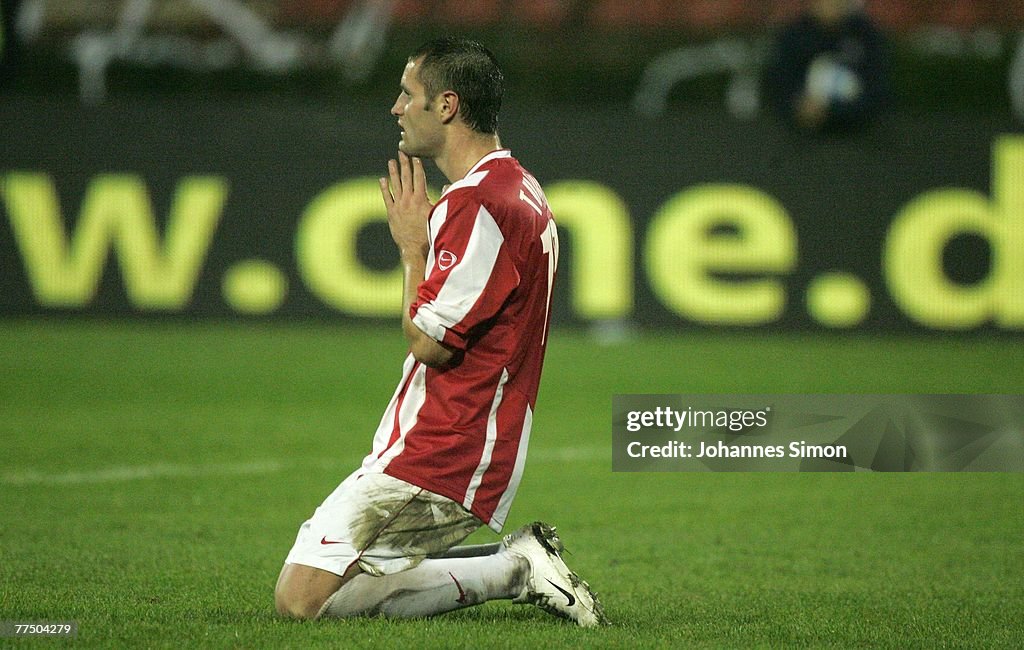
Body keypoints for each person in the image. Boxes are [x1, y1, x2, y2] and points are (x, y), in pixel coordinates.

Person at [273, 37, 608, 627]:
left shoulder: (481, 202)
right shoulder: (517, 186)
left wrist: (411, 250)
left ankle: (517, 570)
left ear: (447, 105)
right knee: (328, 589)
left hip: (445, 448)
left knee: (300, 600)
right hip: (464, 442)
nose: (396, 109)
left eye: (408, 95)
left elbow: (428, 340)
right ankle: (517, 567)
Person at [762, 0, 889, 133]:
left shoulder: (867, 36)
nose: (830, 5)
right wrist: (799, 106)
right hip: (799, 136)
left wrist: (834, 110)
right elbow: (779, 85)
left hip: (858, 137)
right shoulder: (792, 37)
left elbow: (878, 90)